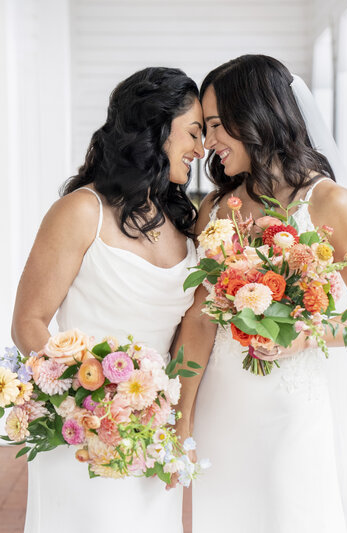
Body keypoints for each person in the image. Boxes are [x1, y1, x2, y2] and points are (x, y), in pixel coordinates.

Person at [172, 55, 347, 532]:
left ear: (256, 116)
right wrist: (183, 412)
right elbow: (198, 317)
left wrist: (303, 334)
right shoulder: (214, 206)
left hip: (291, 408)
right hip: (221, 407)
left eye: (216, 125)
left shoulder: (329, 202)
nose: (208, 142)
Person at [11, 66, 204, 533]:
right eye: (193, 132)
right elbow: (29, 323)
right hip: (82, 437)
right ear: (157, 128)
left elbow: (187, 339)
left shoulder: (186, 224)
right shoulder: (82, 211)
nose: (200, 149)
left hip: (151, 436)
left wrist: (171, 422)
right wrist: (92, 403)